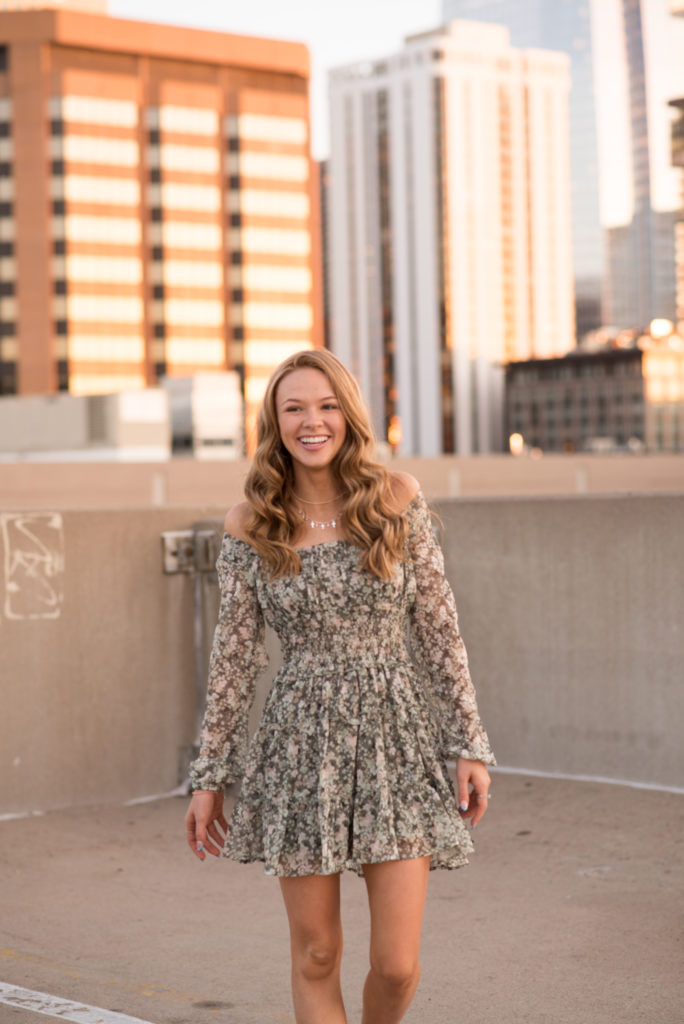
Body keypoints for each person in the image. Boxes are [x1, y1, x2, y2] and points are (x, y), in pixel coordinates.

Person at [184, 348, 495, 1024]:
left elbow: (440, 630)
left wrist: (468, 743)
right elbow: (233, 659)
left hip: (397, 740)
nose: (311, 421)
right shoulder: (250, 523)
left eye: (325, 406)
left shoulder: (395, 499)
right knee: (317, 954)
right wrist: (209, 774)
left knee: (397, 964)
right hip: (300, 745)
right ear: (274, 422)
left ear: (349, 416)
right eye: (293, 408)